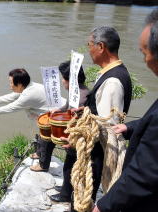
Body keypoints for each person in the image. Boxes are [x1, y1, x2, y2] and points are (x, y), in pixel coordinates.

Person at [58, 26, 132, 206]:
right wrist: (84, 111)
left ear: (101, 46)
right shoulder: (109, 74)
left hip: (95, 154)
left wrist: (78, 141)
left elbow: (107, 126)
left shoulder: (113, 81)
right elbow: (100, 113)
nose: (88, 49)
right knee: (80, 196)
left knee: (83, 200)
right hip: (93, 151)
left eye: (89, 44)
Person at [92, 9, 158, 212]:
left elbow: (146, 172)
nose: (144, 60)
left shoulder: (113, 81)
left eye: (144, 52)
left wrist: (104, 206)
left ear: (101, 47)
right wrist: (129, 128)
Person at [29, 61, 89, 174]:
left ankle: (43, 164)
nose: (62, 81)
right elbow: (67, 106)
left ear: (69, 80)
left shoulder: (81, 97)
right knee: (47, 130)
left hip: (74, 133)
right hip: (70, 125)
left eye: (63, 78)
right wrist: (59, 110)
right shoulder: (78, 90)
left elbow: (78, 119)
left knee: (47, 134)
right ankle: (40, 155)